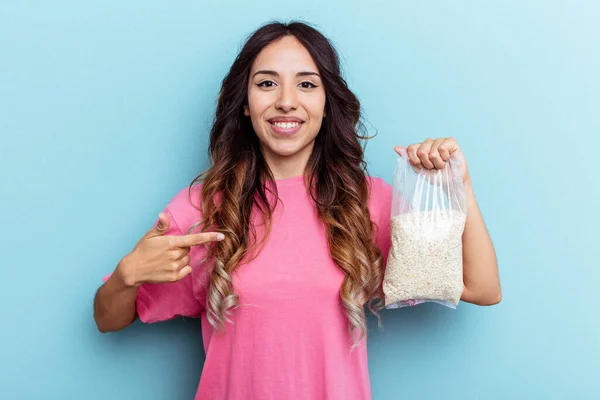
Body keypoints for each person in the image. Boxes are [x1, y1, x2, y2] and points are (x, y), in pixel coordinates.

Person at [93, 20, 501, 400]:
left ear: (327, 105)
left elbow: (482, 289)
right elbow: (107, 318)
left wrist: (458, 185)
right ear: (245, 104)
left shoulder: (365, 202)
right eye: (267, 83)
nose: (286, 102)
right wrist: (126, 277)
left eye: (307, 84)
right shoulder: (203, 208)